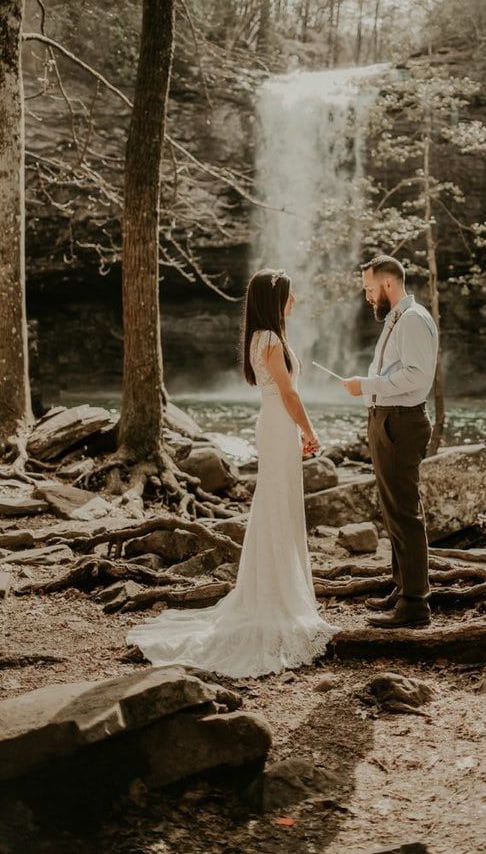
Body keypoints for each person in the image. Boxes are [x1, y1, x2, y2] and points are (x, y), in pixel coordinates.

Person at [127, 268, 340, 677]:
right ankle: (278, 598)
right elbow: (290, 393)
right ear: (276, 300)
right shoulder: (273, 340)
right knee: (278, 505)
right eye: (290, 296)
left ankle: (274, 590)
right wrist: (310, 431)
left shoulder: (259, 338)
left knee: (274, 504)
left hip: (273, 423)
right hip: (280, 426)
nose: (295, 302)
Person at [342, 255, 438, 629]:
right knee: (394, 509)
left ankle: (415, 604)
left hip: (401, 423)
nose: (367, 297)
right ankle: (402, 590)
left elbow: (417, 376)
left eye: (369, 288)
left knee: (405, 514)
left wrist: (365, 387)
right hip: (387, 421)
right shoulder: (397, 318)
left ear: (387, 284)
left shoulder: (412, 320)